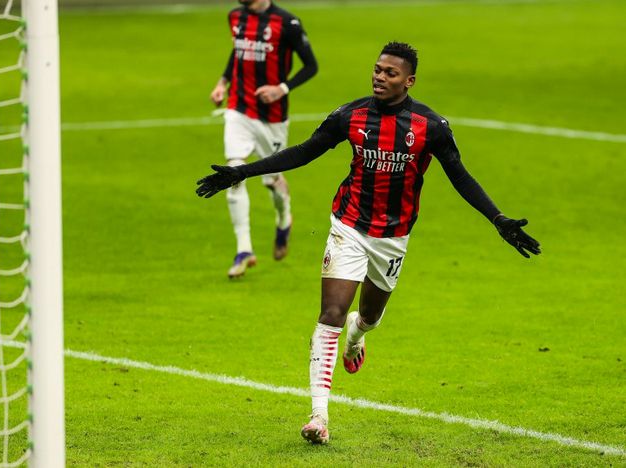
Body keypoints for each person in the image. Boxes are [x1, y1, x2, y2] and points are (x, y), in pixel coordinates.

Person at [197, 42, 541, 444]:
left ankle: (356, 338)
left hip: (393, 238)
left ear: (409, 81)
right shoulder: (351, 115)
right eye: (377, 69)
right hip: (349, 226)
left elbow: (460, 177)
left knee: (369, 317)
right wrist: (242, 172)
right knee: (331, 311)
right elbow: (305, 152)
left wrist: (498, 219)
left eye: (390, 73)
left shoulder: (430, 126)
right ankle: (318, 417)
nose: (379, 76)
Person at [210, 0, 318, 278]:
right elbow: (238, 53)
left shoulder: (287, 23)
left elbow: (311, 66)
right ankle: (243, 249)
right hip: (238, 108)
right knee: (233, 170)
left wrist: (281, 89)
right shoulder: (235, 16)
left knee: (272, 182)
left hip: (272, 117)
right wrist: (223, 83)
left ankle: (284, 218)